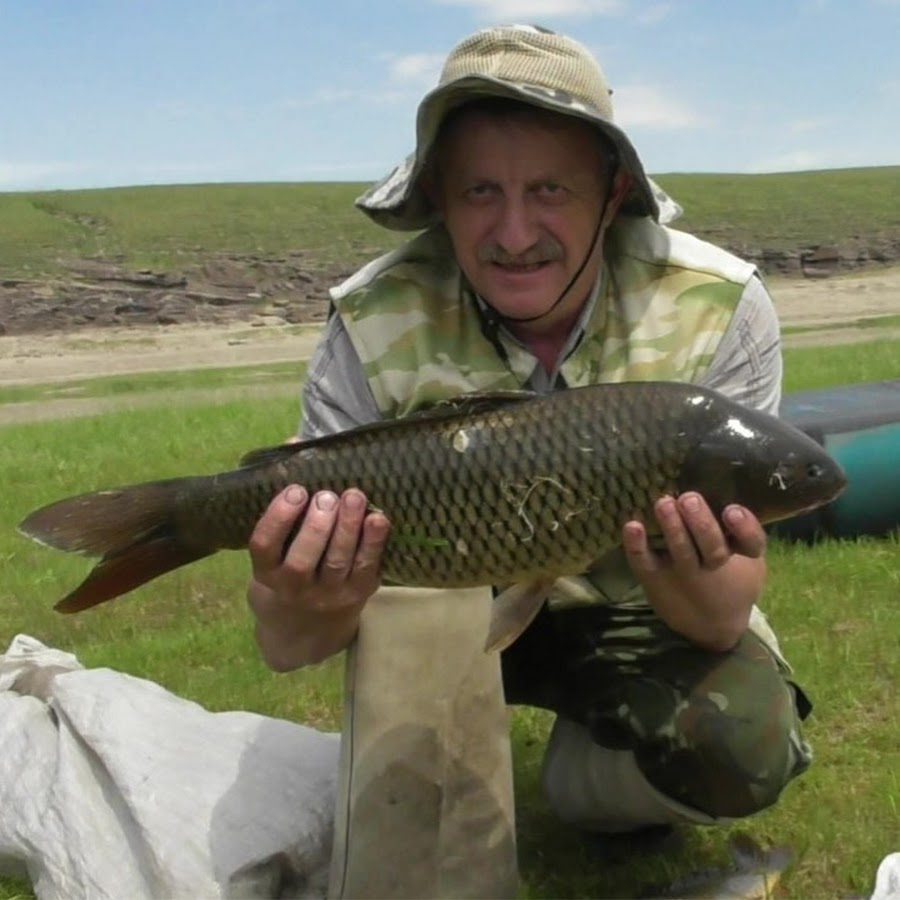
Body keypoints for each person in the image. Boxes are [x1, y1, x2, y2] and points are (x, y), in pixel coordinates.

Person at [246, 24, 812, 841]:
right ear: (438, 196)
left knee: (743, 746)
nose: (514, 236)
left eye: (550, 190)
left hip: (632, 605)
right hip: (435, 602)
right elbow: (287, 641)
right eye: (480, 192)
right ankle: (435, 763)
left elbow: (721, 619)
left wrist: (694, 578)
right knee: (413, 821)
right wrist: (306, 596)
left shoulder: (718, 307)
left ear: (613, 192)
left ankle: (585, 782)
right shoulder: (371, 319)